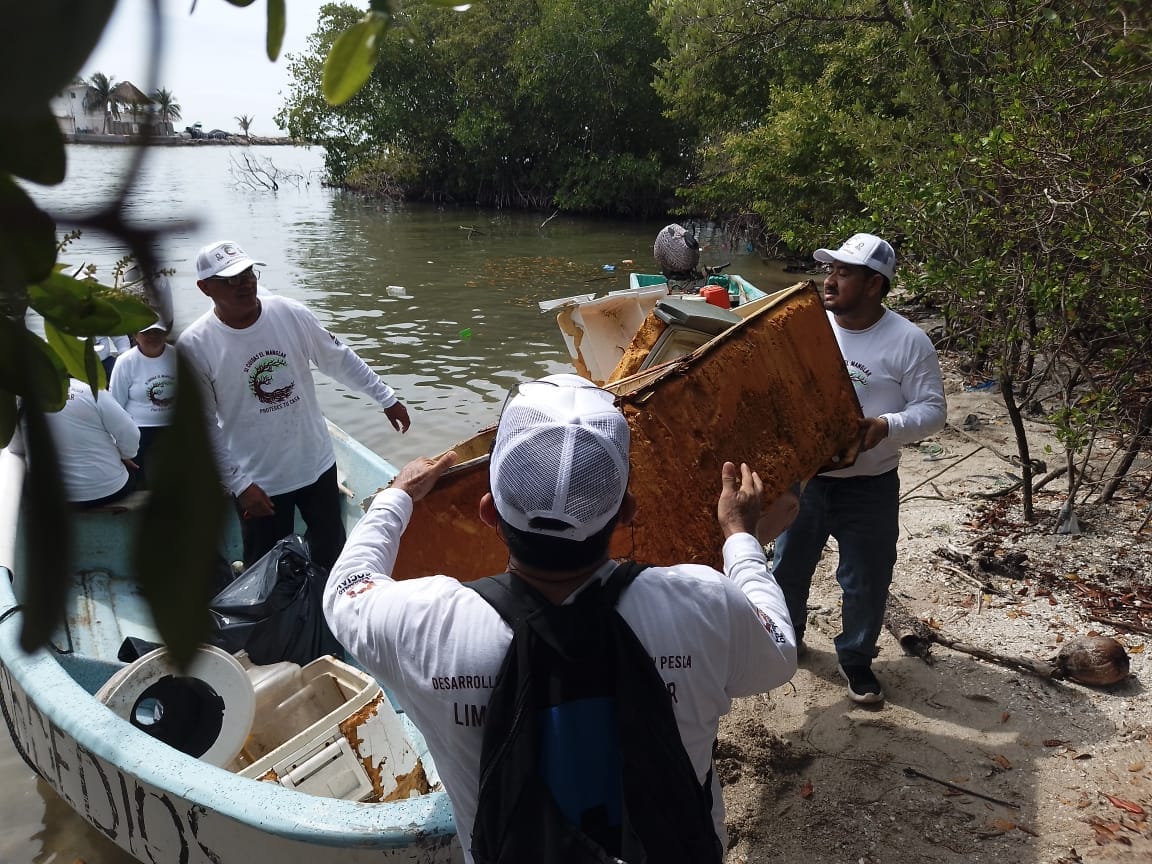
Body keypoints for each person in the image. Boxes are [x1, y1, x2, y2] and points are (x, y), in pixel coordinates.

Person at [323, 373, 799, 863]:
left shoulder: (423, 625)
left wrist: (397, 496)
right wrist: (740, 538)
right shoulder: (702, 604)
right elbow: (779, 652)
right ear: (628, 511)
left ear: (488, 512)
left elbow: (344, 588)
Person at [772, 232, 947, 704]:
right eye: (830, 270)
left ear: (874, 285)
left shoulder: (908, 341)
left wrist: (886, 425)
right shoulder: (805, 327)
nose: (829, 281)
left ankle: (855, 660)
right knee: (786, 568)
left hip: (870, 485)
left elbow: (933, 411)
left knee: (867, 579)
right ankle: (785, 644)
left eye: (843, 273)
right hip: (806, 478)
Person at [177, 239, 411, 573]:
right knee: (267, 570)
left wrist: (386, 397)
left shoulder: (289, 313)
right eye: (229, 279)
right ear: (205, 288)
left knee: (332, 553)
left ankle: (328, 617)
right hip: (260, 483)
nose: (243, 284)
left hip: (316, 465)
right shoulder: (195, 345)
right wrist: (240, 486)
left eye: (247, 274)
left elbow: (338, 359)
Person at [42, 377, 141, 508]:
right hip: (110, 490)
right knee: (135, 472)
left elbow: (16, 448)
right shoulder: (92, 391)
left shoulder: (23, 397)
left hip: (52, 497)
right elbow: (131, 432)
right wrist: (124, 455)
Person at [109, 318, 177, 485]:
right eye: (147, 333)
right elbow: (116, 403)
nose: (153, 336)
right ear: (136, 336)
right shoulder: (125, 362)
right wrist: (117, 441)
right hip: (139, 426)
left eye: (157, 332)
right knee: (137, 473)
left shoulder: (178, 356)